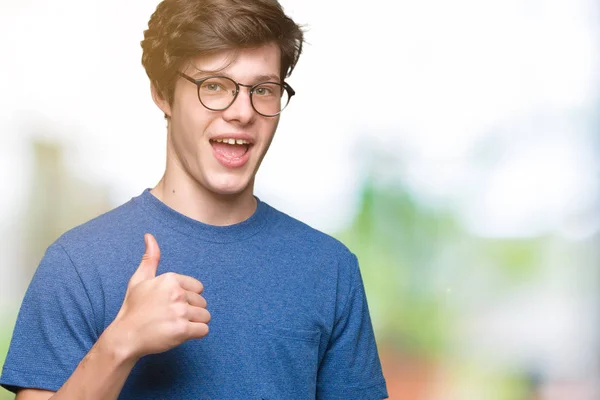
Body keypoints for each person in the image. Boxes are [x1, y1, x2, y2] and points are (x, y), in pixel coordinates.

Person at [0, 0, 388, 398]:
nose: (242, 112)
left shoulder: (330, 269)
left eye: (263, 89)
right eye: (214, 86)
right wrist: (121, 343)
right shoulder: (78, 264)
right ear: (163, 94)